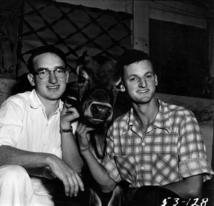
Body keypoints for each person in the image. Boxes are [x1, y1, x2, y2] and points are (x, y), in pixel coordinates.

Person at [76, 49, 213, 206]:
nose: (143, 84)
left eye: (147, 76)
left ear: (155, 80)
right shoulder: (119, 128)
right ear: (122, 86)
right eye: (133, 79)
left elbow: (192, 189)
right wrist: (85, 150)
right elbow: (107, 185)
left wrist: (140, 196)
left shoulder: (182, 119)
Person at [0, 45, 86, 206]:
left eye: (58, 71)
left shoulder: (69, 114)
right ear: (32, 79)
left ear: (66, 75)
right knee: (13, 174)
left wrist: (65, 128)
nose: (53, 79)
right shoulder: (16, 105)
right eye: (43, 72)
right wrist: (49, 159)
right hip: (6, 185)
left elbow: (74, 172)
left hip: (46, 192)